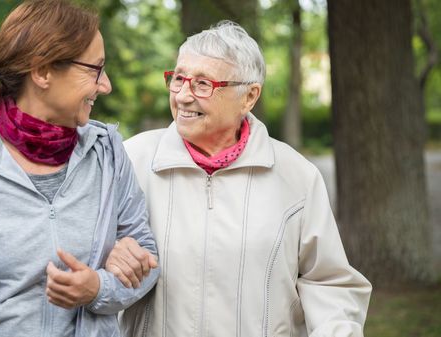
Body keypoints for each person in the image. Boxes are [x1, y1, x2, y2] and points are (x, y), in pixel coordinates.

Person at [0, 1, 159, 336]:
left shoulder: (107, 153)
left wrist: (98, 288)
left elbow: (146, 260)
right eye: (95, 69)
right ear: (42, 72)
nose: (105, 84)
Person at [106, 21, 372, 337]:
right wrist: (109, 255)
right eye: (178, 79)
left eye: (203, 84)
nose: (183, 96)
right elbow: (84, 251)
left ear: (248, 96)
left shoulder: (295, 176)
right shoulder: (129, 160)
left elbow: (329, 282)